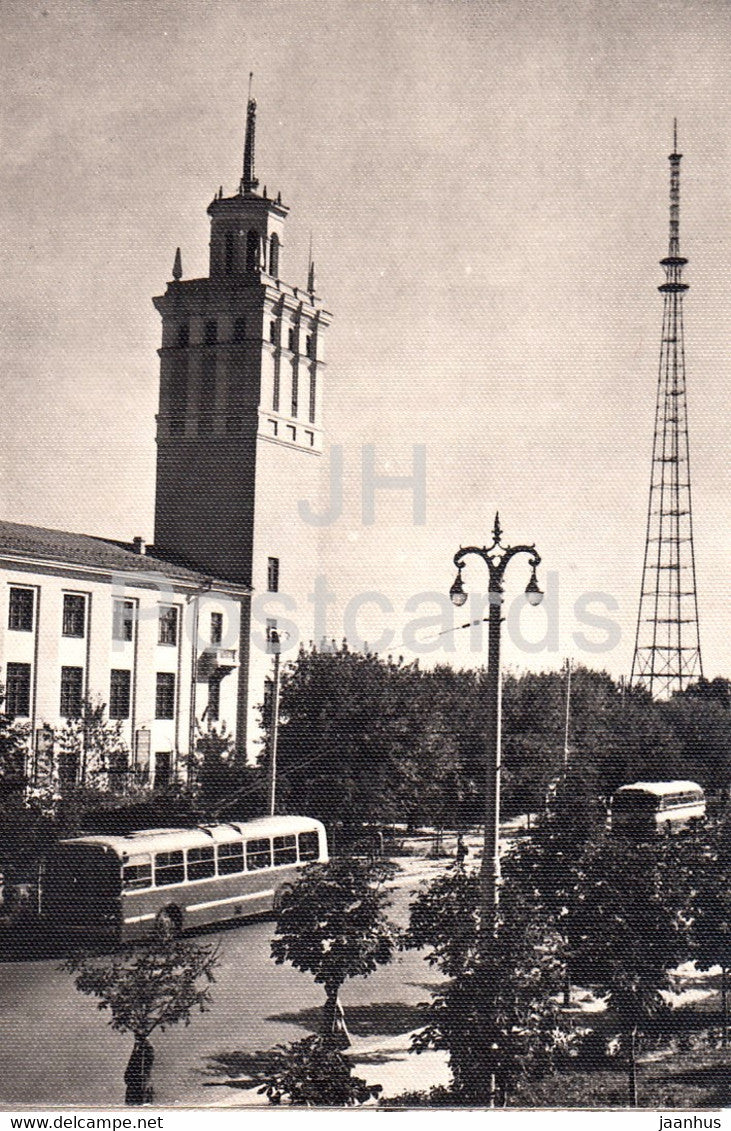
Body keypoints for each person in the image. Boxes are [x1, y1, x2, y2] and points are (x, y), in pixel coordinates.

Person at [124, 1035, 154, 1105]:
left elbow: (147, 1064)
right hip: (134, 1079)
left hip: (139, 1080)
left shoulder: (146, 1049)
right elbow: (132, 1063)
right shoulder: (138, 1048)